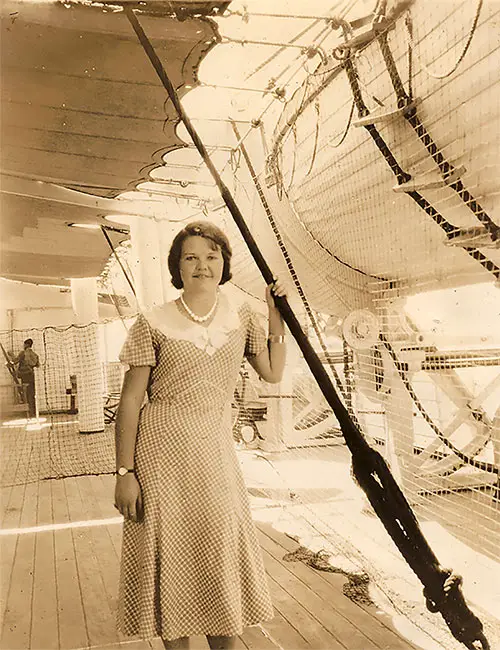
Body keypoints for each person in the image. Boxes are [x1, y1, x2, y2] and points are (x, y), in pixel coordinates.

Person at [114, 221, 287, 649]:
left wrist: (276, 315)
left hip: (213, 451)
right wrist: (124, 472)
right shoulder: (151, 322)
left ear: (225, 263)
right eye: (191, 257)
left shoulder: (243, 316)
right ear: (177, 265)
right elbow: (131, 402)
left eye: (212, 256)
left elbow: (272, 372)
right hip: (158, 457)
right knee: (170, 556)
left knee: (218, 554)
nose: (203, 266)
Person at [13, 338, 39, 418]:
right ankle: (33, 413)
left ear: (26, 344)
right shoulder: (34, 354)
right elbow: (37, 365)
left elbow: (14, 361)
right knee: (32, 394)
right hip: (31, 376)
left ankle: (28, 413)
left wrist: (10, 354)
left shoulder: (22, 353)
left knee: (26, 394)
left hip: (24, 376)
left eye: (24, 344)